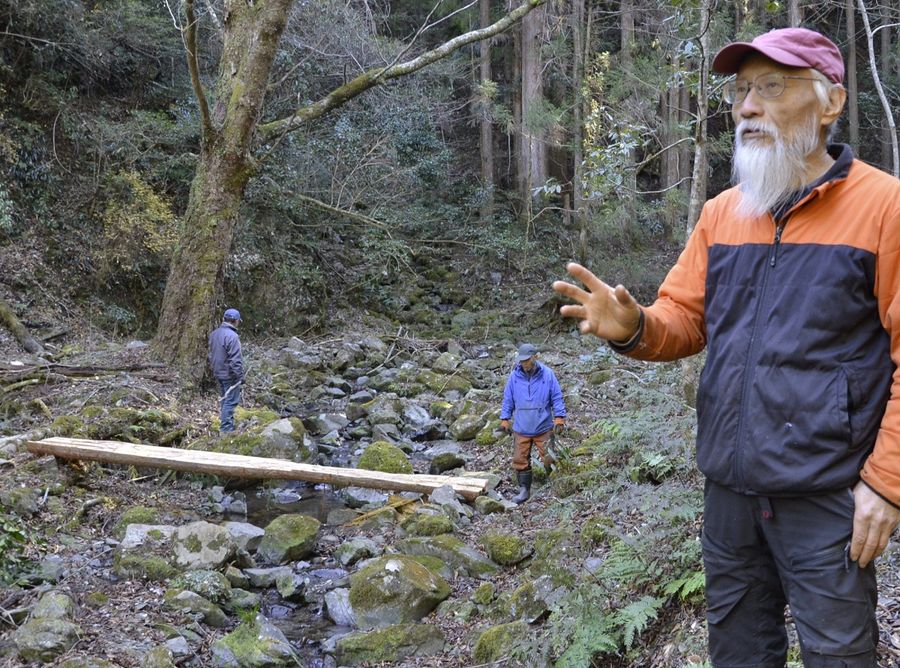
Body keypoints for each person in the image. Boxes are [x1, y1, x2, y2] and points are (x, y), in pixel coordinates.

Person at [553, 27, 900, 667]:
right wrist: (632, 327)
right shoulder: (722, 212)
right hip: (730, 493)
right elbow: (684, 319)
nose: (746, 106)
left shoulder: (884, 207)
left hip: (829, 498)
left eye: (772, 87)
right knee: (738, 654)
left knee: (840, 656)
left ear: (830, 104)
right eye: (742, 90)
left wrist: (885, 484)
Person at [500, 343, 567, 504]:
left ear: (535, 357)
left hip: (543, 426)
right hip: (521, 427)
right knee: (519, 459)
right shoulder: (514, 377)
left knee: (549, 458)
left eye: (526, 360)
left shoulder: (548, 375)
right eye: (521, 361)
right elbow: (508, 399)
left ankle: (554, 487)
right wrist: (504, 420)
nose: (523, 364)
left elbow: (557, 397)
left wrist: (559, 418)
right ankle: (524, 490)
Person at [208, 308, 244, 433]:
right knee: (231, 401)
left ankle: (226, 426)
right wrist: (240, 376)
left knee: (224, 399)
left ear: (224, 319)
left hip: (218, 372)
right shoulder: (233, 337)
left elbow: (211, 354)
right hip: (230, 374)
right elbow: (235, 360)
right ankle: (226, 430)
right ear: (236, 321)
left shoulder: (214, 333)